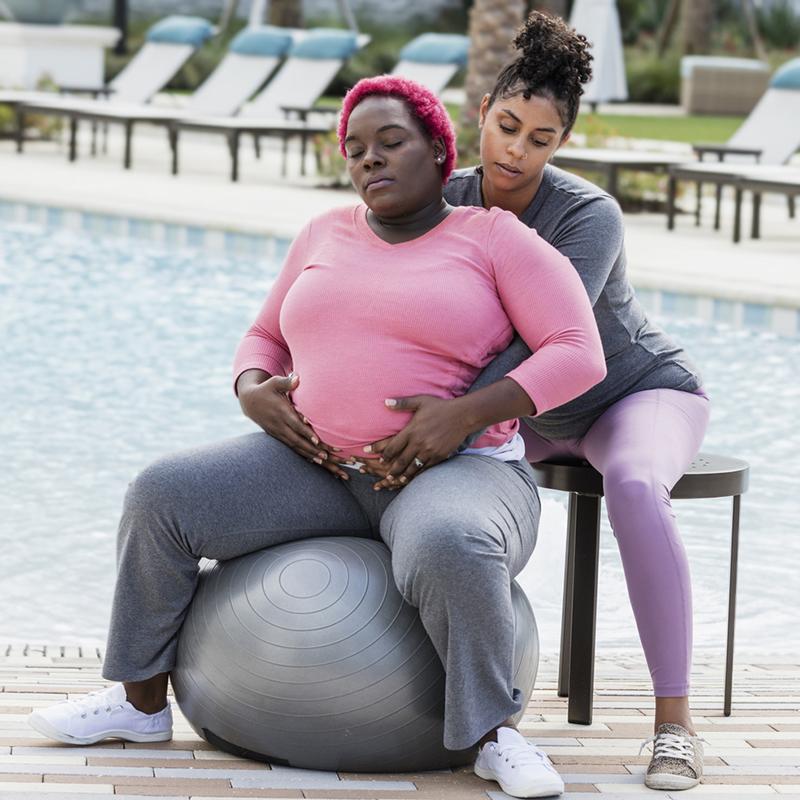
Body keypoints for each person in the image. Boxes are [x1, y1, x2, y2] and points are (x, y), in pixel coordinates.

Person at [28, 76, 607, 799]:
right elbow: (263, 336)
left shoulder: (492, 238)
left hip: (461, 469)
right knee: (161, 496)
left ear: (436, 149)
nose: (370, 160)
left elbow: (578, 349)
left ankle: (493, 736)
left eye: (390, 143)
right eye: (356, 150)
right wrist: (251, 391)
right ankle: (139, 703)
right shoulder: (323, 233)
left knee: (449, 543)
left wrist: (458, 416)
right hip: (318, 469)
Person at [433, 10, 708, 793]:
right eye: (508, 125)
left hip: (633, 394)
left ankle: (674, 726)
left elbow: (551, 347)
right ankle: (456, 702)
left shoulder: (588, 216)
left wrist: (448, 413)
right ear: (481, 113)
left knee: (631, 486)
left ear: (562, 144)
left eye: (540, 138)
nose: (516, 150)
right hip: (527, 418)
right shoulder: (443, 200)